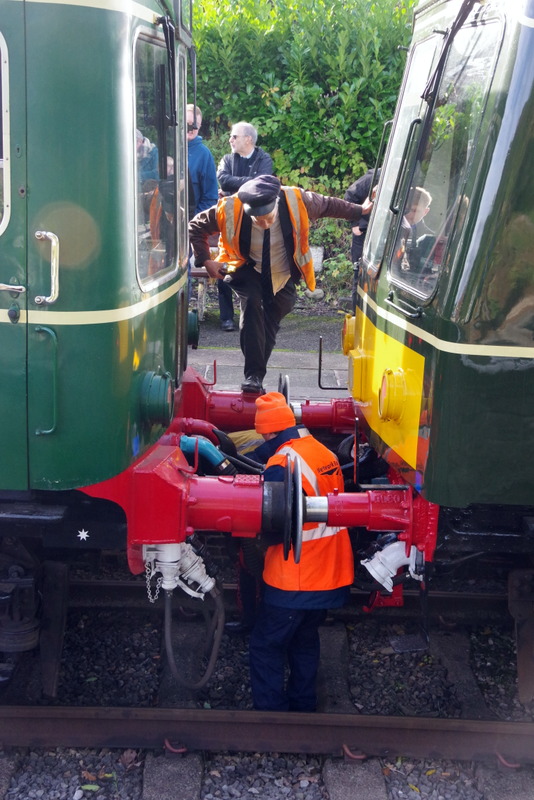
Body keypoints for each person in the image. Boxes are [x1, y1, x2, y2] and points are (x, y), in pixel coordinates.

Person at [189, 175, 374, 394]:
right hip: (246, 267)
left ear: (276, 203)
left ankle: (255, 369)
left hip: (282, 273)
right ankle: (254, 377)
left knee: (272, 319)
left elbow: (328, 205)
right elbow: (196, 226)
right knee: (252, 306)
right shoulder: (230, 207)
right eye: (258, 220)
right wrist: (206, 260)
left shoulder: (297, 200)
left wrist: (360, 210)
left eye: (268, 218)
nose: (264, 224)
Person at [247, 392, 354, 712]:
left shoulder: (282, 463)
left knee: (266, 645)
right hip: (331, 573)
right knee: (304, 641)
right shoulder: (321, 451)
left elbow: (272, 522)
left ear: (267, 432)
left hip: (296, 577)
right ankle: (303, 707)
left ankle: (271, 716)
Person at [216, 122, 274, 332]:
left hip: (256, 223)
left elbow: (263, 184)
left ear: (248, 139)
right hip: (231, 221)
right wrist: (249, 183)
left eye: (234, 136)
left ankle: (262, 315)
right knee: (226, 266)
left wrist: (236, 187)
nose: (230, 140)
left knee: (260, 268)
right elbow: (223, 180)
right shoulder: (227, 159)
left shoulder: (264, 159)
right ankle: (226, 318)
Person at [344, 167, 381, 264]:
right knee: (360, 266)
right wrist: (355, 223)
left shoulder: (404, 181)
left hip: (382, 231)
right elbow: (350, 196)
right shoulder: (375, 178)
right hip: (364, 230)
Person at [186, 104, 218, 215]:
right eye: (187, 124)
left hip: (190, 225)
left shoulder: (204, 155)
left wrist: (192, 222)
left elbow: (210, 198)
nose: (191, 129)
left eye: (195, 125)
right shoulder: (170, 149)